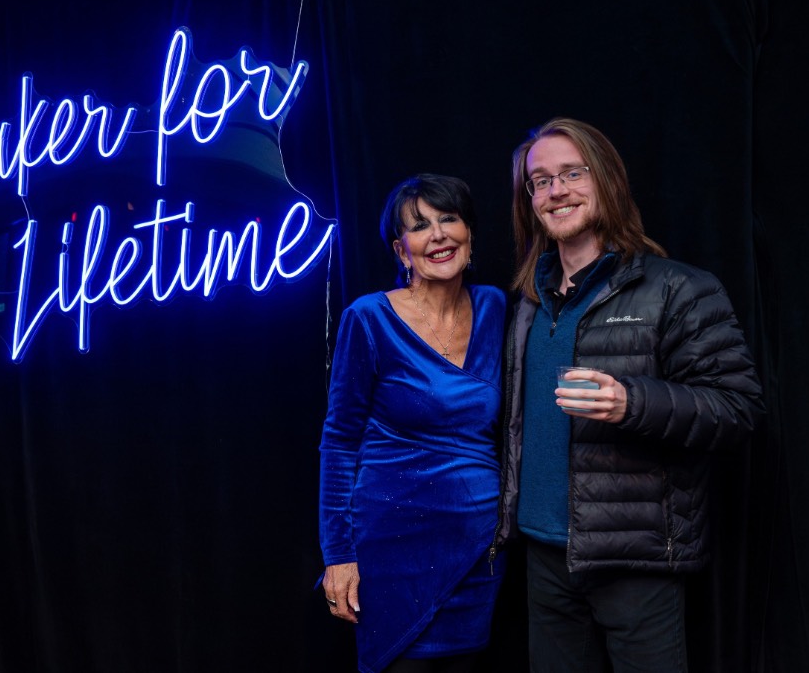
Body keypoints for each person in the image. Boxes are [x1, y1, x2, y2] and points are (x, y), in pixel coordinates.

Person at [496, 117, 764, 672]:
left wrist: (632, 402)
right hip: (545, 556)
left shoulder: (679, 289)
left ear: (608, 180)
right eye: (539, 181)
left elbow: (739, 410)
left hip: (635, 561)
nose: (555, 191)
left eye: (573, 172)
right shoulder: (526, 303)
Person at [319, 174, 506, 673]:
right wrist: (337, 553)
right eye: (420, 226)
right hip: (390, 554)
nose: (439, 234)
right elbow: (339, 443)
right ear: (403, 252)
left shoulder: (497, 308)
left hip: (476, 553)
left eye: (449, 218)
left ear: (470, 233)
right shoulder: (369, 318)